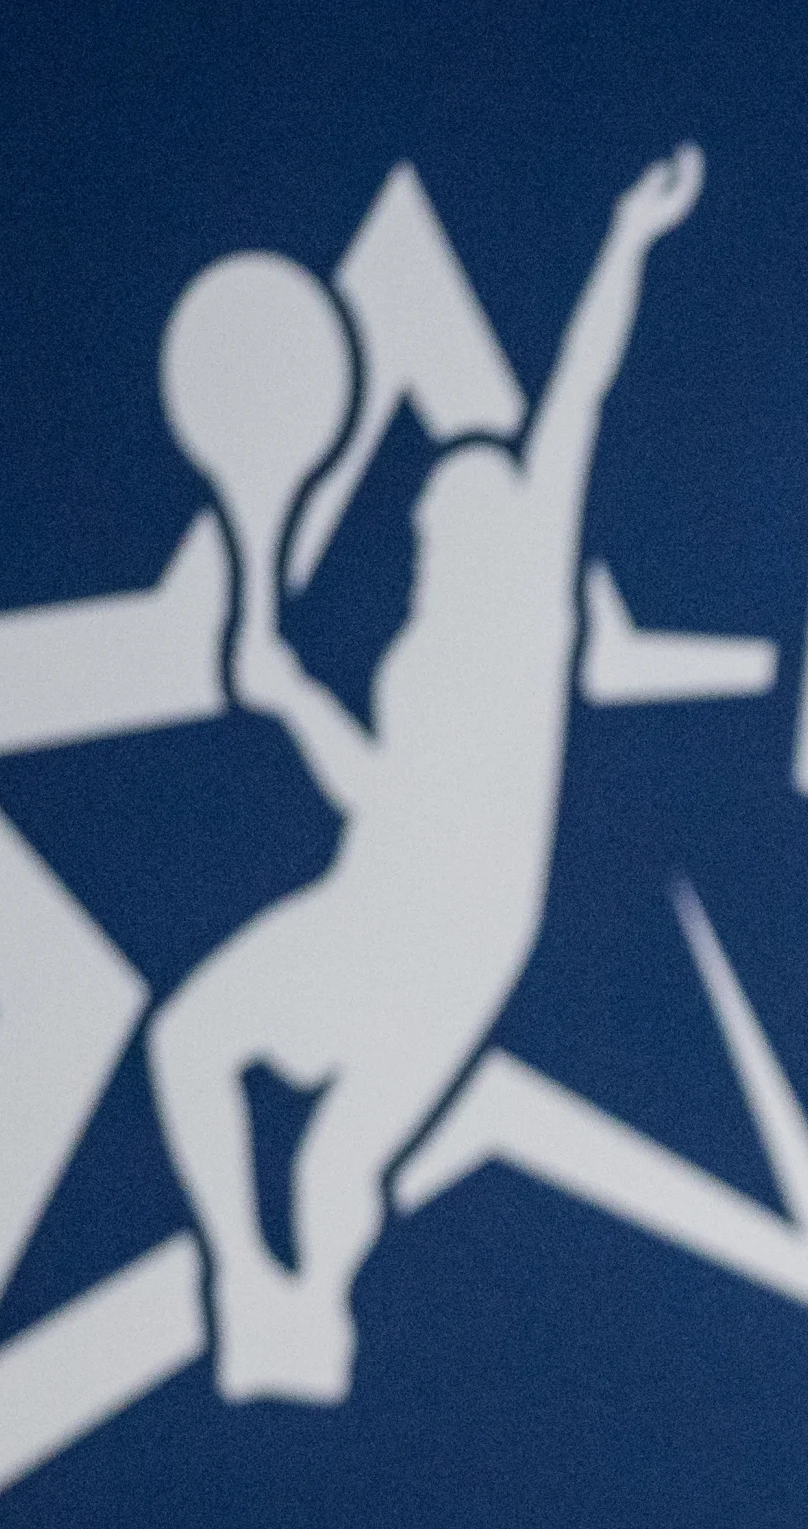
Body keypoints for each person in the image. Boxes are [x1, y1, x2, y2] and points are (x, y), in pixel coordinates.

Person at [145, 145, 703, 1403]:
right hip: (373, 899)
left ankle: (307, 1312)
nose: (433, 526)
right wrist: (290, 696)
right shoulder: (421, 649)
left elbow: (582, 392)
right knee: (188, 1045)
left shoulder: (530, 610)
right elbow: (380, 795)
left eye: (458, 507)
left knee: (333, 1173)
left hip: (457, 935)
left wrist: (626, 237)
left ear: (509, 519)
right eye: (430, 517)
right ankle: (249, 1285)